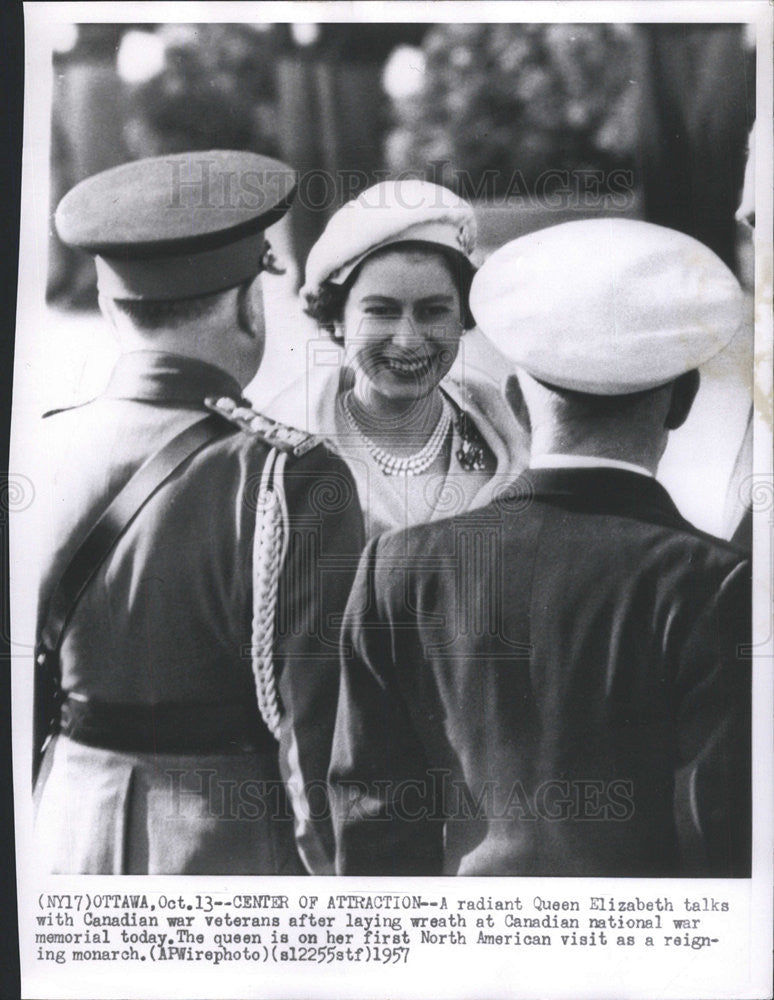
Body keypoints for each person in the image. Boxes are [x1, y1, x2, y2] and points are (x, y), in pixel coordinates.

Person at [329, 218, 751, 878]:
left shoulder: (396, 570)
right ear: (682, 402)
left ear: (519, 404)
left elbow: (374, 823)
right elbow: (719, 833)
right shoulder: (717, 585)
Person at [33, 150, 364, 875]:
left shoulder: (36, 451)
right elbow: (318, 743)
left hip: (63, 837)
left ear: (106, 304)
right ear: (252, 305)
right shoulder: (292, 475)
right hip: (230, 855)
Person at [268, 179, 529, 539]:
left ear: (462, 316)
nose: (408, 340)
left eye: (433, 311)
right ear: (336, 318)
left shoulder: (503, 428)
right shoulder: (291, 445)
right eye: (382, 311)